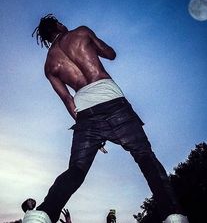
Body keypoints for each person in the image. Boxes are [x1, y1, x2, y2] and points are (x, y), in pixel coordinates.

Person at [27, 14, 189, 223]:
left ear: (46, 38)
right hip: (113, 103)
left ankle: (44, 213)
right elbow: (110, 53)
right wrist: (92, 49)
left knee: (76, 170)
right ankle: (172, 215)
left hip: (85, 116)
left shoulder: (49, 65)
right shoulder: (81, 32)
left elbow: (68, 100)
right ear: (58, 25)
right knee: (145, 156)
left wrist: (90, 130)